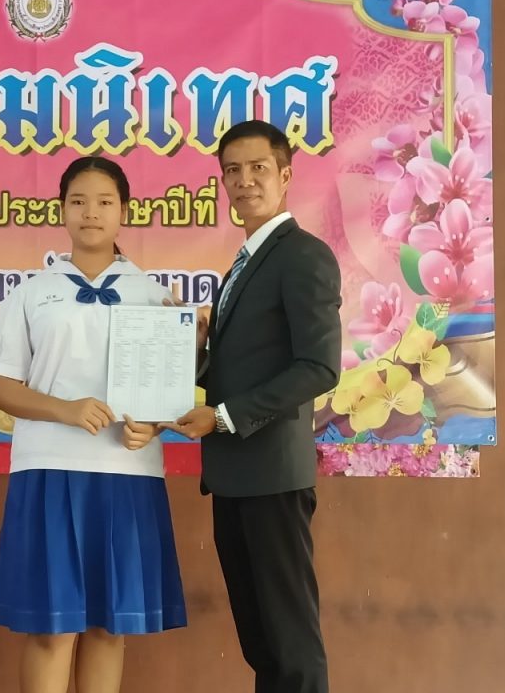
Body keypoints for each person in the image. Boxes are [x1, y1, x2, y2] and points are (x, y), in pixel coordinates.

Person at [0, 156, 187, 693]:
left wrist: (153, 426)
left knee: (108, 627)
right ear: (62, 210)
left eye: (104, 202)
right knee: (51, 629)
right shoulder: (31, 293)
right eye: (78, 201)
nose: (90, 212)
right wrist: (67, 409)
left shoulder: (154, 295)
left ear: (125, 211)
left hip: (128, 474)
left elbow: (164, 396)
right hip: (49, 472)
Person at [164, 120, 342, 693]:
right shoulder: (243, 264)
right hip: (235, 476)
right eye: (232, 171)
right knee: (262, 644)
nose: (244, 181)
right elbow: (239, 369)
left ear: (286, 176)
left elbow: (319, 368)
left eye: (258, 168)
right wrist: (197, 351)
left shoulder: (303, 256)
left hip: (271, 477)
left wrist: (222, 418)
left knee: (290, 645)